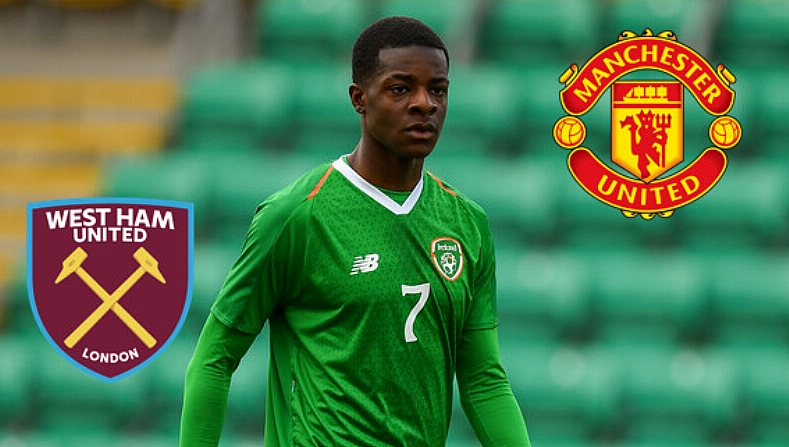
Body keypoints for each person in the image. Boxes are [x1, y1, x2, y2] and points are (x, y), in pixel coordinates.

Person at [180, 16, 532, 447]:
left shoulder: (467, 224)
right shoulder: (296, 215)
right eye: (401, 88)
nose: (425, 104)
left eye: (437, 89)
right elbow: (214, 359)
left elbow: (482, 380)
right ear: (359, 98)